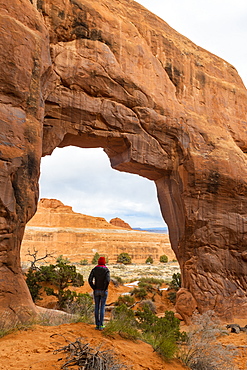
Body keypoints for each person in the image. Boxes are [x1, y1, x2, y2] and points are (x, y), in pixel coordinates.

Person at [88, 256, 110, 330]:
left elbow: (90, 280)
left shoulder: (94, 269)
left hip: (96, 290)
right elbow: (107, 280)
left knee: (96, 307)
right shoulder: (106, 270)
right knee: (102, 307)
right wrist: (104, 288)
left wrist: (93, 287)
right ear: (104, 262)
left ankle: (97, 325)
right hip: (104, 291)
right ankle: (101, 325)